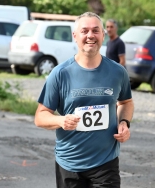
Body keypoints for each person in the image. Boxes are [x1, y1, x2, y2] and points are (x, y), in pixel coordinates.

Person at [34, 12, 134, 188]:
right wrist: (61, 120)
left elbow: (125, 102)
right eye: (84, 31)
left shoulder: (118, 72)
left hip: (106, 162)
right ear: (75, 36)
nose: (90, 36)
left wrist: (124, 122)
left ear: (103, 34)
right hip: (69, 163)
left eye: (96, 31)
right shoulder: (60, 74)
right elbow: (40, 116)